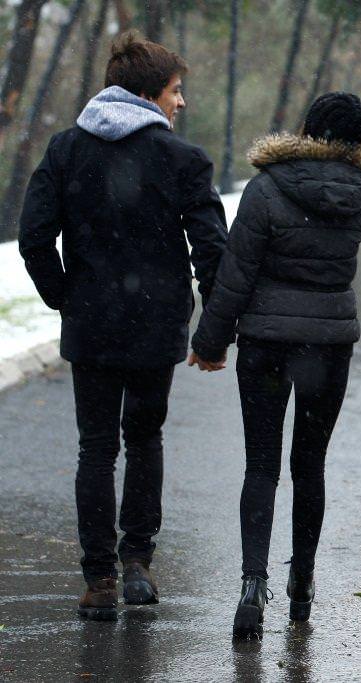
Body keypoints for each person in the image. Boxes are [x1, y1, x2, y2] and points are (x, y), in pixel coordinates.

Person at [18, 32, 227, 621]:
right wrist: (214, 324)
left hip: (92, 325)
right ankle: (137, 563)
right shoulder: (183, 159)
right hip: (156, 325)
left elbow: (34, 238)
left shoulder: (65, 150)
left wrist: (67, 297)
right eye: (174, 91)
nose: (180, 103)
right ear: (145, 94)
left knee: (95, 448)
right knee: (145, 440)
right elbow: (212, 247)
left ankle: (99, 579)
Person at [189, 92, 361, 638]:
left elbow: (236, 275)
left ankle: (253, 587)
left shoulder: (267, 188)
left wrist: (210, 343)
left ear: (307, 129)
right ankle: (303, 582)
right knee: (310, 466)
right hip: (328, 345)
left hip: (267, 343)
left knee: (261, 465)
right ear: (359, 142)